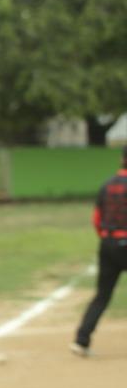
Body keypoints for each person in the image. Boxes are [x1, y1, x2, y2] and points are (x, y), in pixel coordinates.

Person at [71, 146, 127, 357]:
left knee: (102, 296)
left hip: (108, 244)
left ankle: (81, 340)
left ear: (122, 159)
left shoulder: (107, 185)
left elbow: (97, 219)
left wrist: (107, 239)